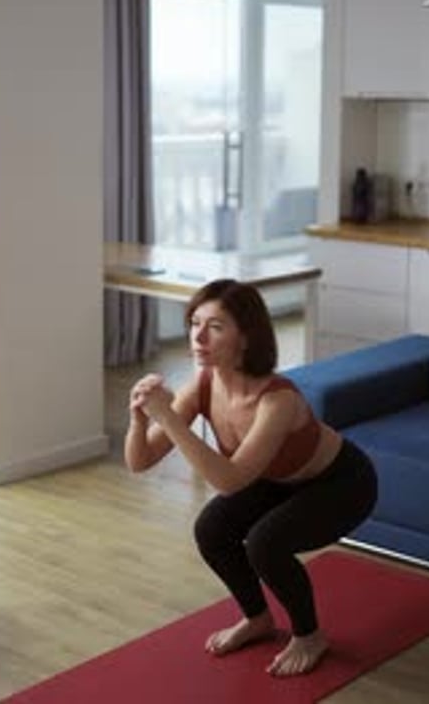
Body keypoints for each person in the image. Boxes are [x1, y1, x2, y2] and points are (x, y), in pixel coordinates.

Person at [125, 278, 378, 678]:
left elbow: (228, 480)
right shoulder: (204, 385)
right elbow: (140, 461)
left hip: (341, 482)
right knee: (212, 529)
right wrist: (139, 419)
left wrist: (169, 418)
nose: (198, 337)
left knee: (266, 543)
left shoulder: (278, 399)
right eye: (194, 323)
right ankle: (258, 619)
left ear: (246, 337)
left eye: (216, 327)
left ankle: (310, 635)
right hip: (275, 478)